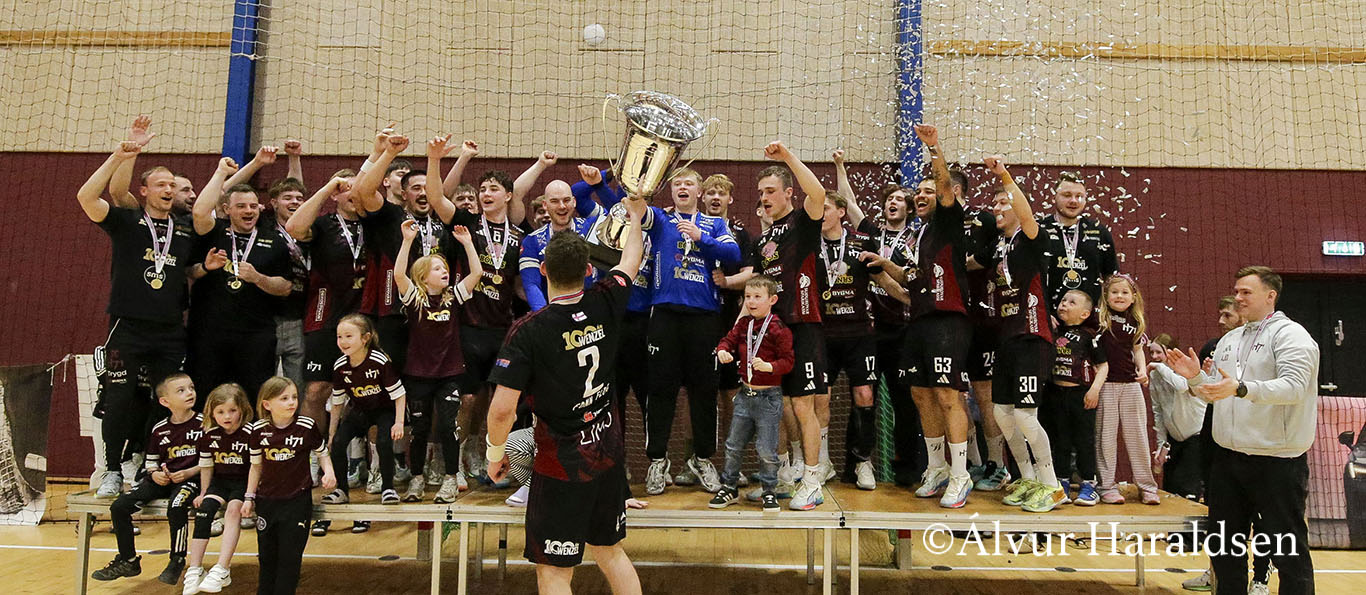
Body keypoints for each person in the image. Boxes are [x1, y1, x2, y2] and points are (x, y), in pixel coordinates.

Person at [484, 189, 647, 594]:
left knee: (554, 571)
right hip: (607, 455)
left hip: (560, 466)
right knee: (610, 552)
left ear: (542, 269)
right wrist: (636, 217)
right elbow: (630, 260)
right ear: (589, 270)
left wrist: (495, 454)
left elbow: (502, 410)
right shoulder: (606, 299)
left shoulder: (529, 331)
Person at [1166, 266, 1318, 595]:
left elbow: (1294, 387)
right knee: (1224, 548)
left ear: (1270, 295)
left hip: (1277, 462)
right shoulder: (1230, 340)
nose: (1238, 298)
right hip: (1228, 461)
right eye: (1236, 291)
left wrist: (1242, 388)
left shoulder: (1292, 336)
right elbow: (1215, 392)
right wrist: (1195, 377)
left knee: (1287, 550)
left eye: (1246, 292)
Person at [78, 137, 197, 497]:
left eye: (172, 185)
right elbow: (86, 197)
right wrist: (119, 155)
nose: (168, 190)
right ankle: (112, 470)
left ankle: (150, 465)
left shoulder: (185, 228)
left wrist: (205, 268)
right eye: (160, 184)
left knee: (167, 400)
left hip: (170, 330)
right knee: (119, 398)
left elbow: (191, 271)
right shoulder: (127, 221)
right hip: (127, 327)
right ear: (143, 191)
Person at [864, 125, 974, 508]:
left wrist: (934, 148)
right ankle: (937, 468)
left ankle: (960, 475)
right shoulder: (921, 235)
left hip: (948, 321)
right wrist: (883, 266)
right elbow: (910, 280)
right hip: (920, 322)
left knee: (947, 396)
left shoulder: (949, 221)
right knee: (921, 395)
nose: (921, 196)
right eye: (919, 192)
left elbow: (943, 186)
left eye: (928, 191)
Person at [641, 168, 741, 495]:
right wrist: (641, 182)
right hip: (664, 314)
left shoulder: (714, 224)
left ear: (699, 191)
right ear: (671, 191)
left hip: (704, 317)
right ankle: (658, 460)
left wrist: (701, 238)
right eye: (677, 184)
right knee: (660, 390)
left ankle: (702, 458)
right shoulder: (660, 219)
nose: (682, 187)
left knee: (704, 391)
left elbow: (733, 255)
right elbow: (635, 207)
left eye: (688, 184)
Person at [746, 141, 830, 511]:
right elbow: (757, 290)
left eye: (770, 191)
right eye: (761, 192)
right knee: (774, 408)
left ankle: (812, 480)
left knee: (803, 407)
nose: (764, 198)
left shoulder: (803, 223)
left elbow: (819, 193)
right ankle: (781, 476)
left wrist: (787, 157)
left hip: (804, 326)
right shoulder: (763, 239)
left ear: (788, 193)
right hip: (773, 332)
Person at [981, 156, 1065, 513]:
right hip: (1007, 339)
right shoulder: (998, 247)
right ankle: (1029, 478)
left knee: (1026, 415)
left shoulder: (1031, 238)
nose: (997, 208)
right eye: (995, 203)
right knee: (1002, 413)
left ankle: (1052, 484)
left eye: (1004, 203)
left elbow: (1027, 214)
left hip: (1032, 336)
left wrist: (1003, 175)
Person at [189, 159, 295, 402]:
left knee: (254, 395)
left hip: (255, 334)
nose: (249, 211)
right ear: (226, 209)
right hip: (209, 332)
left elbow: (286, 287)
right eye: (241, 206)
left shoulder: (274, 241)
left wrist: (258, 278)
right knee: (206, 394)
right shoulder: (214, 231)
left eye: (253, 206)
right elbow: (199, 212)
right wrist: (220, 172)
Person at [394, 219, 483, 502]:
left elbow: (477, 273)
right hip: (418, 374)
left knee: (447, 426)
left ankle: (450, 478)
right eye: (437, 269)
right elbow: (399, 274)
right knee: (419, 430)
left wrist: (468, 244)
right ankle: (417, 478)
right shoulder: (415, 299)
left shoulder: (452, 298)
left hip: (449, 374)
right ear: (423, 278)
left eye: (445, 268)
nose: (444, 272)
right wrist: (407, 241)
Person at [92, 374, 202, 583]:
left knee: (176, 506)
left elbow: (211, 461)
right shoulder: (159, 429)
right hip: (162, 480)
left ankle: (177, 560)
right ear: (165, 401)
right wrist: (155, 473)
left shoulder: (203, 424)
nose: (189, 393)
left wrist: (189, 472)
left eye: (191, 388)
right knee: (119, 506)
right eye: (181, 390)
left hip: (191, 480)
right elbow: (151, 462)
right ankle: (128, 560)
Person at [284, 173, 367, 425]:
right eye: (346, 189)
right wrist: (328, 186)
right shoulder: (323, 224)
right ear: (335, 196)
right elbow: (293, 228)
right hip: (325, 315)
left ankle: (351, 447)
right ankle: (313, 447)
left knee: (364, 389)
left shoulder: (375, 222)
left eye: (358, 188)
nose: (353, 193)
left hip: (366, 316)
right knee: (316, 389)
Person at [243, 377, 337, 595]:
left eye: (294, 397)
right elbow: (256, 467)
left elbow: (322, 453)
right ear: (267, 404)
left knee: (290, 558)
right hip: (267, 501)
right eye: (284, 398)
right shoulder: (258, 430)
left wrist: (329, 472)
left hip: (297, 502)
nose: (291, 402)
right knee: (267, 558)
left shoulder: (306, 426)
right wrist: (249, 497)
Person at [856, 182, 923, 486]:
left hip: (903, 330)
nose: (893, 203)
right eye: (889, 199)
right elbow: (851, 206)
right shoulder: (871, 235)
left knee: (904, 402)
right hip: (870, 329)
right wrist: (841, 166)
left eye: (899, 199)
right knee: (863, 397)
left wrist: (906, 298)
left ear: (909, 208)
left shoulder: (915, 239)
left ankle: (907, 468)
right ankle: (858, 464)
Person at [710, 276, 794, 512]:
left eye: (757, 297)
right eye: (748, 297)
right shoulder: (743, 325)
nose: (751, 301)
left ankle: (769, 490)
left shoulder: (779, 328)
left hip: (769, 398)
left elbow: (788, 362)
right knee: (733, 445)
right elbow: (727, 341)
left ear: (772, 300)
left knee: (766, 450)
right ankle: (729, 487)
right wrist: (722, 351)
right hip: (745, 396)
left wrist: (770, 367)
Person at [816, 190, 879, 490]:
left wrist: (908, 296)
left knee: (865, 395)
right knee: (821, 397)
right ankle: (822, 461)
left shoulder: (861, 242)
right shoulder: (808, 242)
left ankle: (863, 461)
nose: (821, 213)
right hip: (823, 334)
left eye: (826, 208)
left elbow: (881, 277)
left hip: (859, 334)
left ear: (841, 212)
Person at [323, 315, 407, 508]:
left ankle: (388, 488)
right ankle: (341, 490)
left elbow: (399, 394)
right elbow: (337, 402)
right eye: (339, 337)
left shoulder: (379, 361)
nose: (343, 341)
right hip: (360, 410)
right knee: (338, 442)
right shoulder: (340, 366)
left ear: (365, 338)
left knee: (384, 442)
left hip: (384, 410)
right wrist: (332, 433)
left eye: (348, 336)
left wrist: (399, 422)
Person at [185, 384, 255, 594]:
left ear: (242, 410)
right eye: (221, 412)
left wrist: (251, 496)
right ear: (212, 413)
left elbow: (257, 467)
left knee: (233, 511)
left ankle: (223, 568)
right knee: (204, 510)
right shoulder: (209, 435)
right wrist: (203, 492)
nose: (227, 416)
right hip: (221, 482)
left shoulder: (251, 433)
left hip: (243, 483)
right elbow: (207, 466)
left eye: (232, 410)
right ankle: (195, 568)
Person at [1095, 274, 1158, 504]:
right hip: (1106, 385)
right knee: (1105, 437)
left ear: (1133, 297)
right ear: (1106, 296)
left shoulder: (1136, 322)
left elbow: (1138, 350)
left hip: (1131, 386)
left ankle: (1147, 486)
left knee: (1138, 436)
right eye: (1114, 292)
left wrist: (1142, 370)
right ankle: (1106, 486)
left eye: (1124, 292)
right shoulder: (1099, 318)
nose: (1119, 296)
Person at [1043, 289, 1108, 506]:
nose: (1064, 304)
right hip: (1055, 394)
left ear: (1084, 314)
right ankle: (1062, 482)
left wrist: (1094, 390)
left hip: (1081, 395)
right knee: (1060, 440)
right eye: (1063, 300)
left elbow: (1103, 366)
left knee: (1084, 441)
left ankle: (1089, 484)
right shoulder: (1053, 330)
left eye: (1072, 303)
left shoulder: (1089, 336)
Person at [1039, 172, 1118, 310]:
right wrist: (1043, 314)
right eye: (1067, 195)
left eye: (1079, 196)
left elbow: (1111, 278)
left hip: (1089, 315)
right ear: (1053, 197)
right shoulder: (1040, 230)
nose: (1074, 201)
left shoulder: (1099, 232)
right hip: (1048, 315)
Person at [1147, 336, 1206, 500]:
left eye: (1158, 352)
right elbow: (1158, 411)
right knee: (1170, 490)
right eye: (1151, 352)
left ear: (1169, 352)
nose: (1154, 356)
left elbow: (1181, 386)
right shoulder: (1155, 376)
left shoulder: (1182, 369)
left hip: (1195, 436)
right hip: (1174, 439)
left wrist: (1160, 367)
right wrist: (1161, 444)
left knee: (1189, 492)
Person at [265, 177, 310, 391]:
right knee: (266, 383)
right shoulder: (263, 227)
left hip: (300, 317)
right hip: (267, 317)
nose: (295, 202)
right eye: (288, 197)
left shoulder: (310, 230)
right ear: (274, 202)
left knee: (298, 386)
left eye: (299, 198)